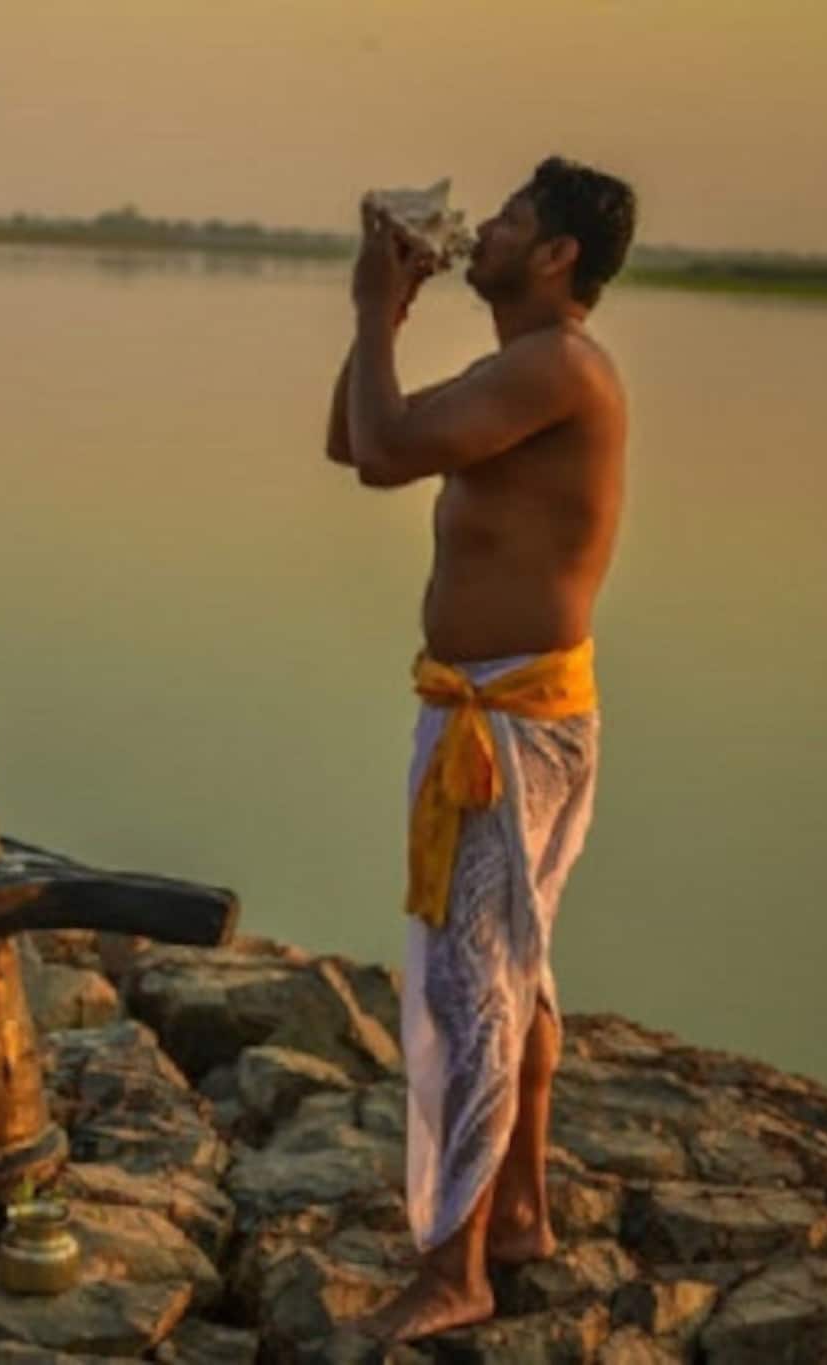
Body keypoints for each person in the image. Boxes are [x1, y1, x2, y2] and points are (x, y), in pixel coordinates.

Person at [326, 156, 637, 1342]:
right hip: (504, 713)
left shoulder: (556, 368)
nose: (486, 234)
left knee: (470, 992)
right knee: (514, 970)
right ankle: (516, 1215)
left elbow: (381, 453)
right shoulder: (516, 367)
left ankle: (454, 1272)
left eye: (507, 222)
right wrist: (385, 313)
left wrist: (370, 307)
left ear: (554, 256)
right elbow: (356, 438)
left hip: (505, 727)